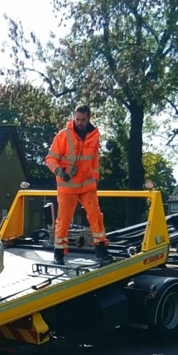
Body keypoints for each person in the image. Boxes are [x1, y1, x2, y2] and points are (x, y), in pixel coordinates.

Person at [45, 104, 109, 265]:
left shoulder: (94, 136)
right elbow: (50, 159)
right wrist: (59, 171)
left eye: (83, 119)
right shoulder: (63, 135)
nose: (79, 122)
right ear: (74, 116)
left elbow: (94, 159)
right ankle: (59, 253)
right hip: (67, 186)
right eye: (77, 119)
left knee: (96, 215)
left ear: (89, 118)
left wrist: (95, 177)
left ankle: (101, 249)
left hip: (87, 185)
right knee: (64, 219)